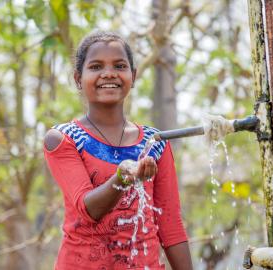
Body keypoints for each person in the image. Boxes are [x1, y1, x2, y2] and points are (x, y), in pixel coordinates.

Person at [43, 31, 193, 270]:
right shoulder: (63, 139)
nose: (109, 73)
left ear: (132, 76)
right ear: (78, 78)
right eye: (96, 66)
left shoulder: (155, 142)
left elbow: (170, 226)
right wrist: (121, 178)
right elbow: (88, 208)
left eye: (119, 65)